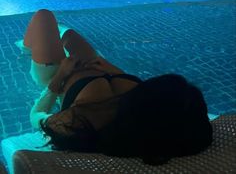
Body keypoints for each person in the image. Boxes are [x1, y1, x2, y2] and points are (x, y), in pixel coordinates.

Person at [21, 9, 213, 165]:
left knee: (44, 17)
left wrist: (60, 77)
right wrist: (110, 68)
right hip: (96, 64)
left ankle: (27, 47)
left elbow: (36, 115)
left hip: (57, 72)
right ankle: (51, 37)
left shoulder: (83, 123)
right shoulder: (148, 104)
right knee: (68, 35)